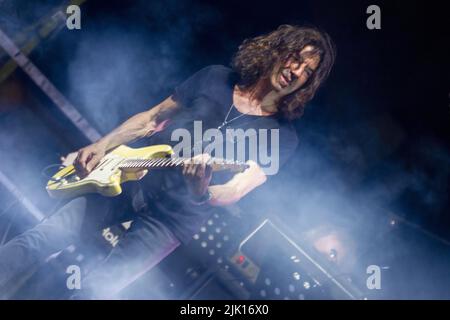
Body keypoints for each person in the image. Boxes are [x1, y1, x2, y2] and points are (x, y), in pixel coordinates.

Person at [0, 24, 335, 299]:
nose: (297, 72)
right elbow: (150, 118)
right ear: (278, 51)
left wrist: (201, 190)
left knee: (95, 290)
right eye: (295, 59)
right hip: (131, 180)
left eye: (307, 71)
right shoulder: (216, 78)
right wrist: (103, 145)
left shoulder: (283, 137)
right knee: (41, 238)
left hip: (171, 221)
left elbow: (236, 189)